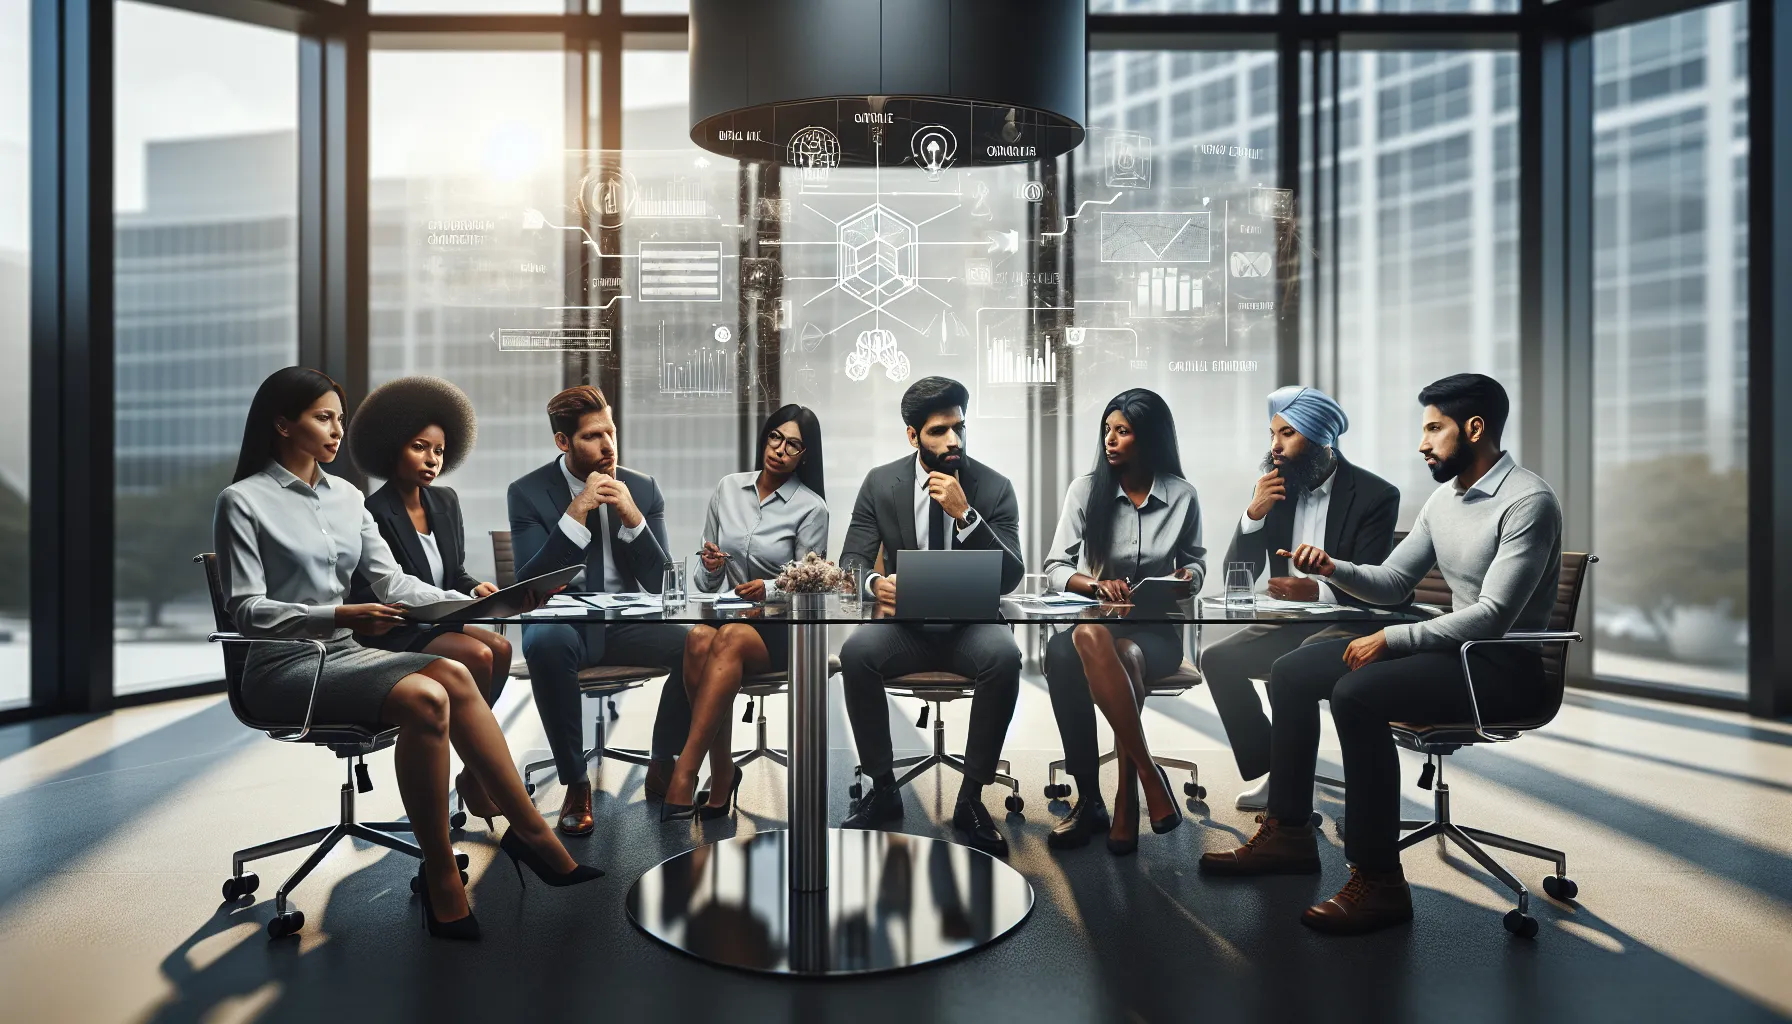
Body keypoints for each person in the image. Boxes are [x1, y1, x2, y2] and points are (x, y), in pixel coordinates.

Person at [214, 368, 600, 942]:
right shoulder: (241, 501)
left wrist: (473, 605)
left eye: (340, 419)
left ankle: (529, 832)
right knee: (426, 693)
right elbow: (246, 611)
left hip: (344, 655)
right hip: (282, 667)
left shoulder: (346, 498)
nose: (337, 430)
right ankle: (443, 874)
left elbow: (395, 584)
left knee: (452, 672)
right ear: (281, 423)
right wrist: (340, 614)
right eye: (324, 417)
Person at [1199, 374, 1563, 937]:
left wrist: (1391, 639)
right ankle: (1289, 832)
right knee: (1293, 670)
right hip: (1449, 655)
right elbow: (1394, 582)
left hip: (1497, 671)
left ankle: (1380, 881)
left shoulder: (1529, 502)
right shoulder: (1446, 499)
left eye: (1434, 428)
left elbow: (1492, 616)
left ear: (1474, 429)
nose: (1423, 443)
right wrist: (1332, 569)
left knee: (1357, 693)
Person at [837, 376, 1025, 856]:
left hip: (972, 627)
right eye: (940, 431)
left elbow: (1011, 577)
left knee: (1005, 656)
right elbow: (851, 562)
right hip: (906, 628)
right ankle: (883, 788)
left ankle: (971, 797)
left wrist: (967, 516)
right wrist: (876, 585)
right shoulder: (881, 483)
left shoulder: (994, 487)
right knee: (855, 653)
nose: (954, 441)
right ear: (912, 434)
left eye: (959, 428)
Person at [1200, 386, 1400, 811]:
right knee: (1216, 659)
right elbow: (1239, 575)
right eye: (1272, 434)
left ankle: (1290, 786)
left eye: (1286, 433)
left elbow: (1378, 582)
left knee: (1285, 669)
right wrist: (1252, 515)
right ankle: (1280, 770)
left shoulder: (1376, 496)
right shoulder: (1276, 489)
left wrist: (1319, 588)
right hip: (1286, 622)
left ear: (1319, 436)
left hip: (1346, 625)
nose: (1275, 446)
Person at [507, 384, 691, 836]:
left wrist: (633, 516)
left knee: (700, 641)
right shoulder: (528, 492)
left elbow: (659, 582)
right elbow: (532, 586)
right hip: (564, 623)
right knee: (545, 642)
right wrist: (577, 511)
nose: (608, 445)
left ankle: (663, 761)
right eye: (592, 436)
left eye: (611, 431)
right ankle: (575, 782)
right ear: (563, 442)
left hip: (626, 625)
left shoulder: (643, 488)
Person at [346, 375, 516, 829]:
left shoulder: (446, 502)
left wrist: (475, 587)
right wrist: (455, 599)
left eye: (439, 451)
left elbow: (453, 574)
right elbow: (388, 588)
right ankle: (481, 777)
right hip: (397, 627)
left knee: (501, 649)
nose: (432, 459)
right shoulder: (372, 511)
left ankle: (473, 772)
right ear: (392, 446)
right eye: (421, 447)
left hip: (441, 617)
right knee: (481, 654)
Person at [1041, 389, 1205, 854]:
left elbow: (1196, 563)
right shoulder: (1084, 490)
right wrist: (1095, 586)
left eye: (1123, 431)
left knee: (1126, 654)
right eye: (1108, 430)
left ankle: (1122, 800)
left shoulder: (1182, 496)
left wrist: (1186, 577)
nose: (1110, 440)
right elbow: (1054, 567)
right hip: (1097, 624)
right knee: (1082, 642)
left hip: (1156, 630)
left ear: (1148, 438)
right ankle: (1128, 786)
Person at [664, 405, 830, 821]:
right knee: (698, 638)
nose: (779, 450)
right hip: (731, 617)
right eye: (775, 437)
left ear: (804, 455)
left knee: (729, 638)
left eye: (793, 444)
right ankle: (722, 771)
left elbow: (812, 583)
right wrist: (712, 566)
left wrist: (770, 586)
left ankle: (685, 772)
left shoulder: (812, 508)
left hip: (781, 627)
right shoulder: (727, 489)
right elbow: (705, 585)